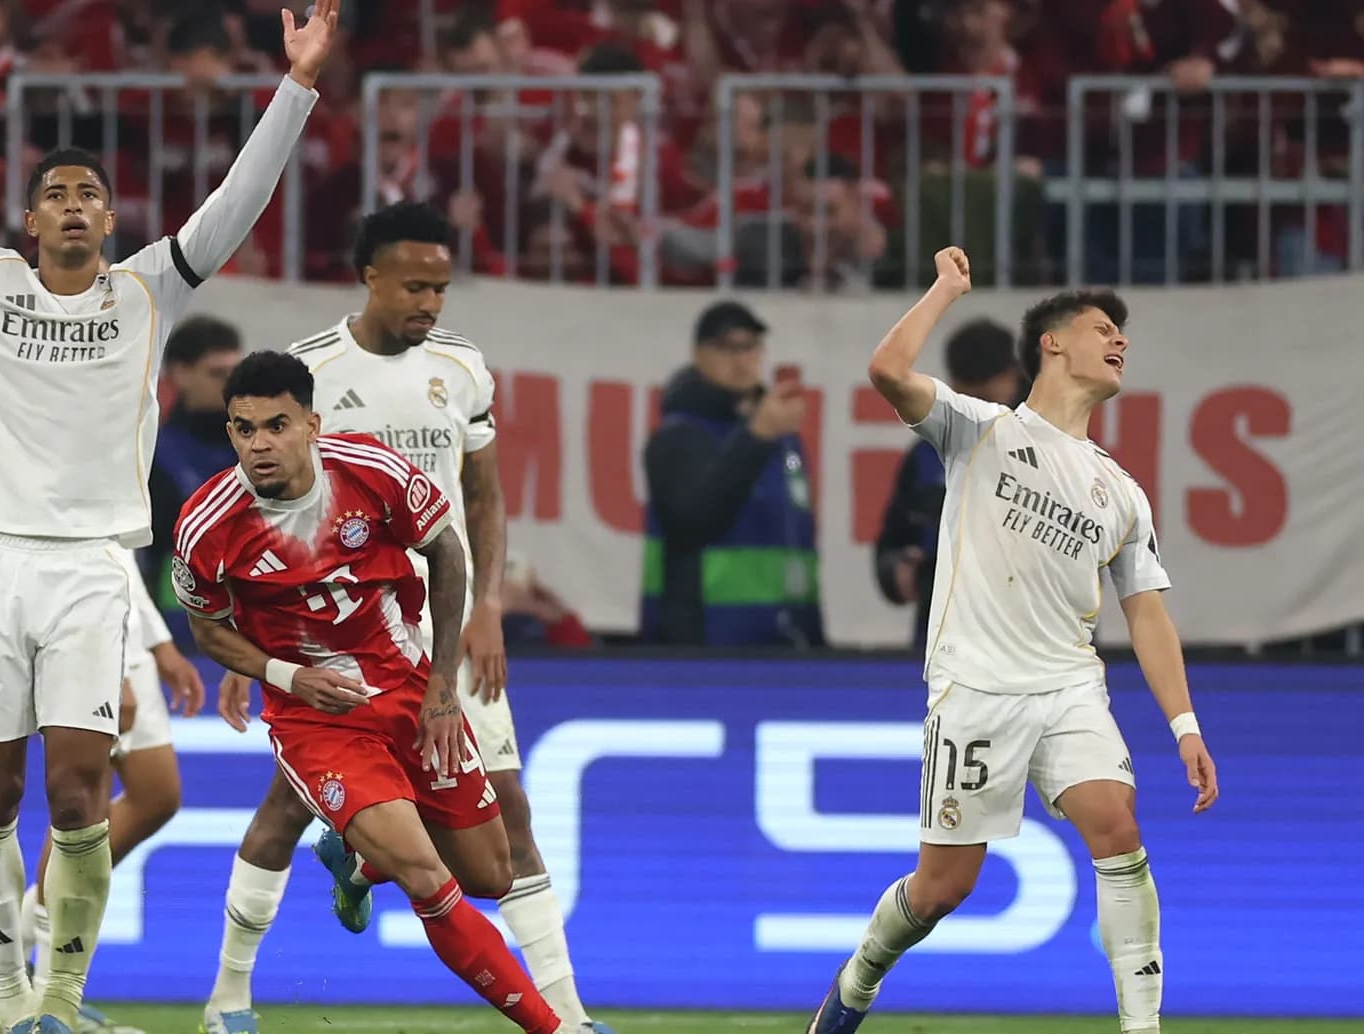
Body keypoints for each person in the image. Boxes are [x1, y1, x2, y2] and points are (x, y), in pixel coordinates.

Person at [0, 1, 334, 1030]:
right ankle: (11, 1006)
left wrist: (297, 85)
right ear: (31, 222)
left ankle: (59, 996)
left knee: (83, 795)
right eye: (56, 195)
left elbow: (237, 199)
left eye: (90, 193)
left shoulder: (149, 292)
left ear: (110, 220)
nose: (76, 205)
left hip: (93, 567)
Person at [201, 202, 613, 1034]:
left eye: (442, 287)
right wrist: (253, 660)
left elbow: (483, 497)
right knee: (284, 811)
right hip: (341, 641)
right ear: (370, 278)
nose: (431, 302)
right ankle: (229, 1000)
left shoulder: (461, 368)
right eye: (415, 285)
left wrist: (489, 604)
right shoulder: (308, 373)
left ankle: (564, 1008)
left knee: (507, 821)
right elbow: (256, 520)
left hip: (448, 624)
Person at [806, 248, 1221, 1034]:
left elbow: (1148, 614)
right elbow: (887, 369)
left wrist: (1186, 726)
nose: (1120, 340)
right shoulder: (982, 431)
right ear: (1052, 344)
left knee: (1117, 822)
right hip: (975, 688)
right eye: (1103, 328)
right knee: (941, 891)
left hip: (1068, 685)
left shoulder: (1121, 493)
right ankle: (859, 978)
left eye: (1124, 333)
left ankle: (1144, 1026)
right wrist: (945, 291)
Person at [173, 351, 572, 1034]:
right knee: (427, 880)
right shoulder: (207, 525)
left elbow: (446, 552)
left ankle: (358, 860)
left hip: (406, 684)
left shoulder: (368, 470)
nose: (260, 444)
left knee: (490, 875)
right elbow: (209, 631)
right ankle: (557, 1027)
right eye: (244, 430)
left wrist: (443, 686)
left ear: (311, 424)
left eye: (276, 425)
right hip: (314, 719)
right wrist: (284, 676)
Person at [0, 546, 207, 1034]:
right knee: (77, 800)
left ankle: (30, 919)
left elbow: (116, 543)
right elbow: (82, 539)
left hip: (121, 615)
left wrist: (159, 645)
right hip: (81, 617)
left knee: (158, 794)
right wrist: (114, 671)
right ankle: (48, 989)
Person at [641, 300, 821, 647]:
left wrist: (811, 632)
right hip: (707, 639)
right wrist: (756, 439)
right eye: (726, 348)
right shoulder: (679, 435)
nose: (742, 359)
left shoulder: (781, 438)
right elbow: (693, 519)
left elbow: (797, 541)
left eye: (750, 346)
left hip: (786, 638)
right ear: (698, 355)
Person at [873, 318, 1022, 646]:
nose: (980, 405)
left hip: (1035, 639)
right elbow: (891, 542)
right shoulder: (928, 453)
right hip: (946, 637)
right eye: (969, 391)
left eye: (988, 390)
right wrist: (899, 569)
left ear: (1013, 377)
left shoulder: (1056, 444)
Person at [145, 316, 244, 608]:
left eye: (236, 373)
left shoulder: (259, 453)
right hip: (178, 627)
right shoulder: (152, 457)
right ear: (180, 374)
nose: (232, 386)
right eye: (218, 373)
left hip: (254, 626)